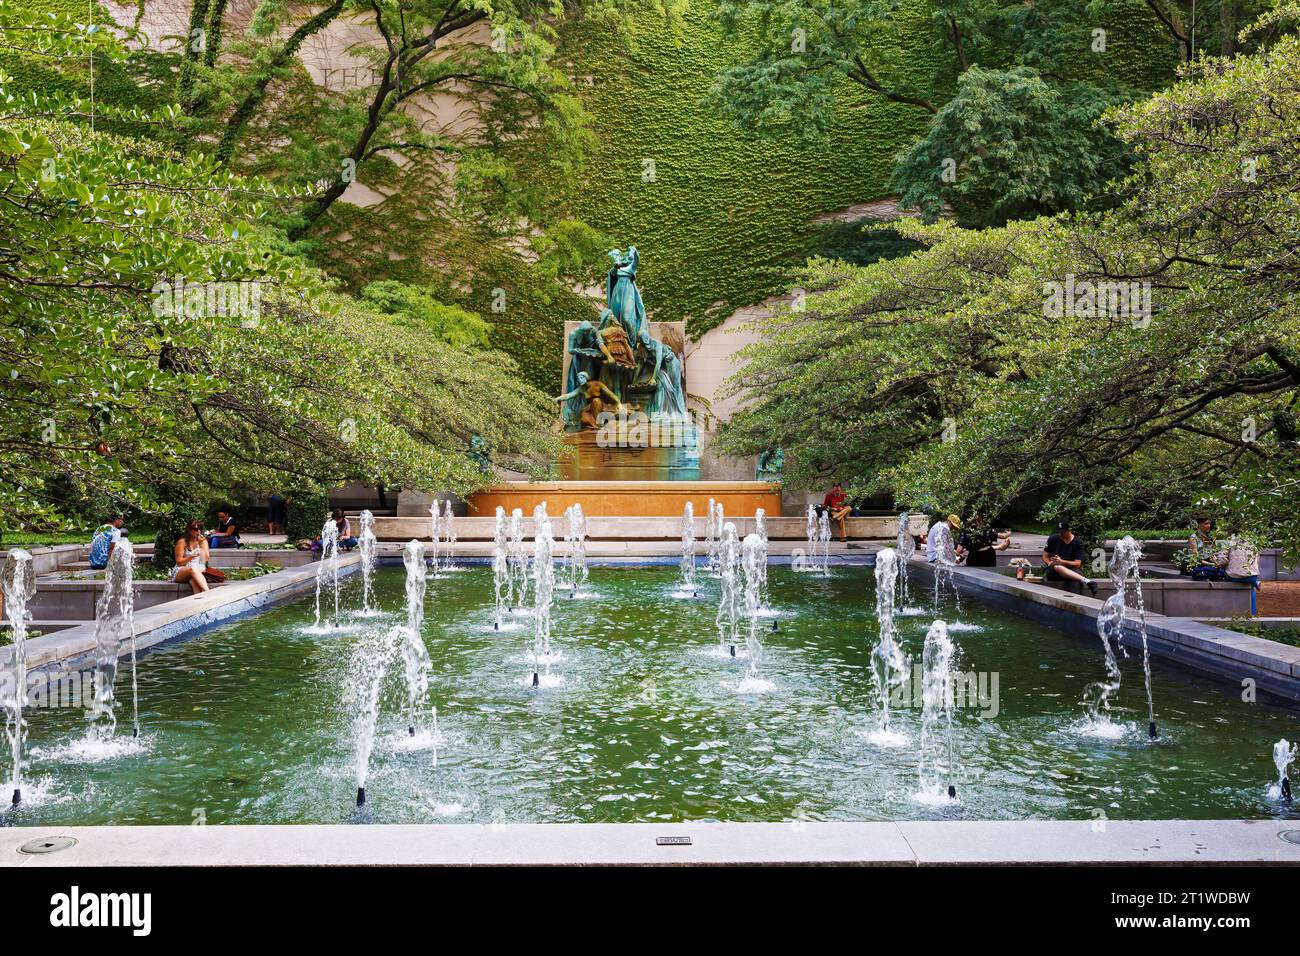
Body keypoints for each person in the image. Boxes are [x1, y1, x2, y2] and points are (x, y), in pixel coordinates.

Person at [1042, 520, 1097, 595]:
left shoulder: (1078, 542)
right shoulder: (1053, 538)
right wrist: (1049, 563)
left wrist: (1062, 561)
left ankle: (1076, 602)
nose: (1060, 534)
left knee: (1075, 581)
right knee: (1057, 566)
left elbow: (1077, 564)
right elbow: (1045, 556)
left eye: (1063, 532)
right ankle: (1087, 581)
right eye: (1059, 531)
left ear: (1069, 530)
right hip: (1054, 571)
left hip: (1071, 569)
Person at [172, 520, 210, 595]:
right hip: (181, 570)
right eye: (196, 529)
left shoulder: (203, 541)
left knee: (194, 581)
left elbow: (204, 560)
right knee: (193, 570)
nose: (198, 531)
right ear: (189, 530)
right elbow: (179, 562)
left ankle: (200, 603)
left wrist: (202, 544)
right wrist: (191, 557)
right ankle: (208, 593)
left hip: (197, 570)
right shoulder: (182, 542)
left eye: (200, 529)